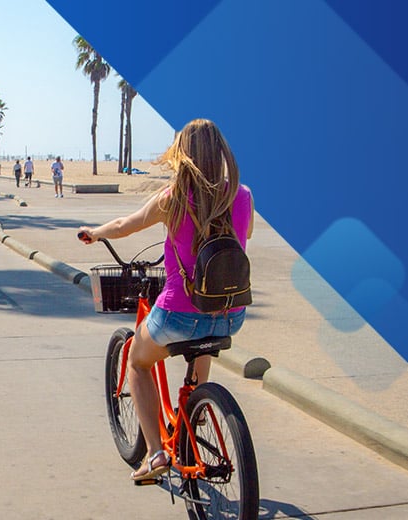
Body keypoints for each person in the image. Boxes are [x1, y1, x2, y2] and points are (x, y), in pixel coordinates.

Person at [77, 118, 254, 482]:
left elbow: (126, 225)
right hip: (231, 312)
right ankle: (198, 408)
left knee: (138, 364)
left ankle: (156, 454)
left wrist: (95, 234)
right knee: (203, 337)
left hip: (178, 314)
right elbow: (245, 233)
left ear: (183, 154)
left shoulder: (172, 199)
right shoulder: (243, 196)